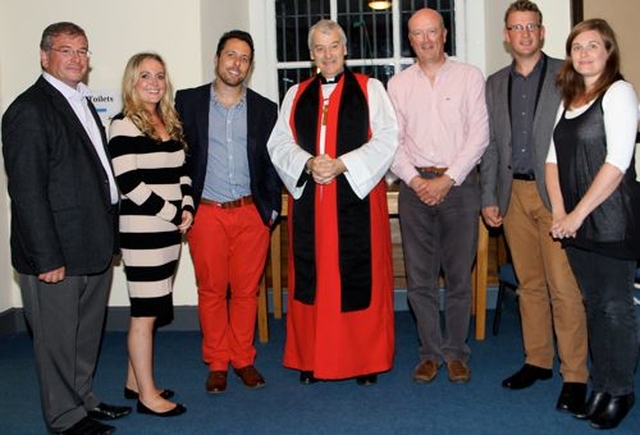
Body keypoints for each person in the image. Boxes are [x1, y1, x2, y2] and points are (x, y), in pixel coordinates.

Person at [1, 22, 131, 434]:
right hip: (56, 252)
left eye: (82, 51)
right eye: (65, 50)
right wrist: (46, 257)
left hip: (91, 243)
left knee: (84, 334)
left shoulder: (81, 101)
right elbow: (27, 192)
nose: (76, 58)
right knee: (56, 339)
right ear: (44, 56)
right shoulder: (29, 109)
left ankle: (83, 399)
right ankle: (63, 416)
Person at [267, 19, 397, 386]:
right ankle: (310, 357)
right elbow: (278, 143)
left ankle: (363, 360)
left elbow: (387, 140)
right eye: (320, 48)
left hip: (354, 197)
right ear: (311, 55)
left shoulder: (370, 89)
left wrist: (344, 164)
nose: (328, 54)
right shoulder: (296, 95)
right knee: (312, 277)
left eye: (334, 46)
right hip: (312, 199)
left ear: (345, 49)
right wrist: (308, 163)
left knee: (359, 277)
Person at [479, 0, 589, 413]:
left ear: (542, 33)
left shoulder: (569, 74)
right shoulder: (493, 83)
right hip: (514, 195)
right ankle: (538, 359)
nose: (524, 33)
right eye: (516, 27)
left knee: (564, 288)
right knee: (529, 286)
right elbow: (490, 146)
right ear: (506, 36)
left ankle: (575, 374)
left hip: (557, 197)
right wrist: (489, 196)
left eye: (531, 26)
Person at [546, 18, 640, 430]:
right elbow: (551, 160)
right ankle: (601, 385)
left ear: (608, 52)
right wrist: (559, 213)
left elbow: (617, 162)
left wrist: (576, 215)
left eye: (592, 46)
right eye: (577, 47)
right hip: (575, 223)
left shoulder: (620, 92)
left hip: (612, 220)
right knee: (594, 307)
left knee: (616, 308)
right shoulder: (569, 97)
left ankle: (620, 390)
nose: (584, 54)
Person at [175, 30, 281, 394]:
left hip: (251, 213)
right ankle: (218, 362)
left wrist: (271, 209)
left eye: (244, 58)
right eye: (231, 55)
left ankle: (244, 360)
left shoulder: (266, 109)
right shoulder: (186, 103)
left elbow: (271, 163)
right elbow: (178, 157)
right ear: (217, 58)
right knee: (212, 290)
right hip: (206, 213)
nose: (237, 63)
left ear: (250, 67)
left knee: (247, 292)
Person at [388, 8, 489, 385]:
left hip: (460, 188)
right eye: (418, 34)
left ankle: (456, 353)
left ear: (445, 34)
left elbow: (479, 135)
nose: (426, 39)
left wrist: (448, 179)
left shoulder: (469, 77)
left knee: (460, 277)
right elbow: (392, 141)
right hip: (414, 191)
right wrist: (415, 181)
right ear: (410, 40)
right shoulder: (397, 85)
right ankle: (430, 353)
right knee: (420, 279)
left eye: (432, 32)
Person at [108, 52, 191, 417]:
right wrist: (175, 213)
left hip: (170, 232)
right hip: (143, 232)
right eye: (145, 76)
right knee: (144, 313)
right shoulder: (122, 125)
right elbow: (131, 185)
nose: (154, 82)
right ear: (132, 81)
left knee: (151, 310)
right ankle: (147, 397)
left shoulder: (168, 121)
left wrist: (187, 205)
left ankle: (134, 382)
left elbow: (183, 170)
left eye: (160, 75)